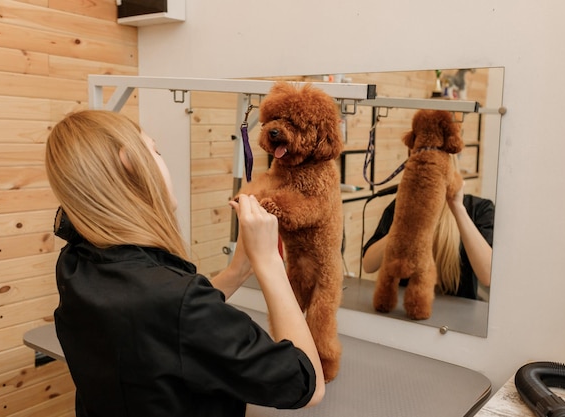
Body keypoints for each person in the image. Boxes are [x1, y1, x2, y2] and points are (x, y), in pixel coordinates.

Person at [44, 110, 325, 417]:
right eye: (155, 150)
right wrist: (270, 260)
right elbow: (305, 382)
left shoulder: (73, 263)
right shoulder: (177, 300)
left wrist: (238, 270)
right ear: (131, 163)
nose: (162, 160)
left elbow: (164, 325)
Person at [362, 157, 494, 300]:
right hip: (407, 310)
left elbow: (488, 276)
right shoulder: (400, 207)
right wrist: (403, 225)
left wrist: (458, 208)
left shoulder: (480, 209)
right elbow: (368, 265)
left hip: (459, 318)